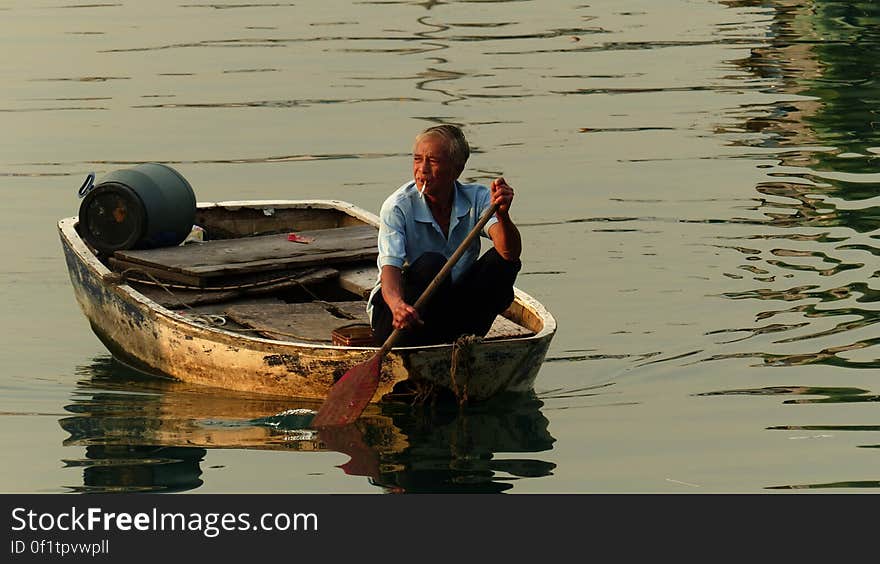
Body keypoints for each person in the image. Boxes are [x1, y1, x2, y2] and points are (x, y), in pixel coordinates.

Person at [367, 124, 521, 346]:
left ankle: (463, 339)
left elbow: (509, 252)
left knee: (501, 263)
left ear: (457, 169)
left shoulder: (477, 198)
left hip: (450, 313)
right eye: (417, 159)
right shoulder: (398, 206)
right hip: (402, 319)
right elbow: (390, 268)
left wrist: (503, 216)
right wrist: (397, 305)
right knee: (433, 263)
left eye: (433, 161)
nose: (423, 170)